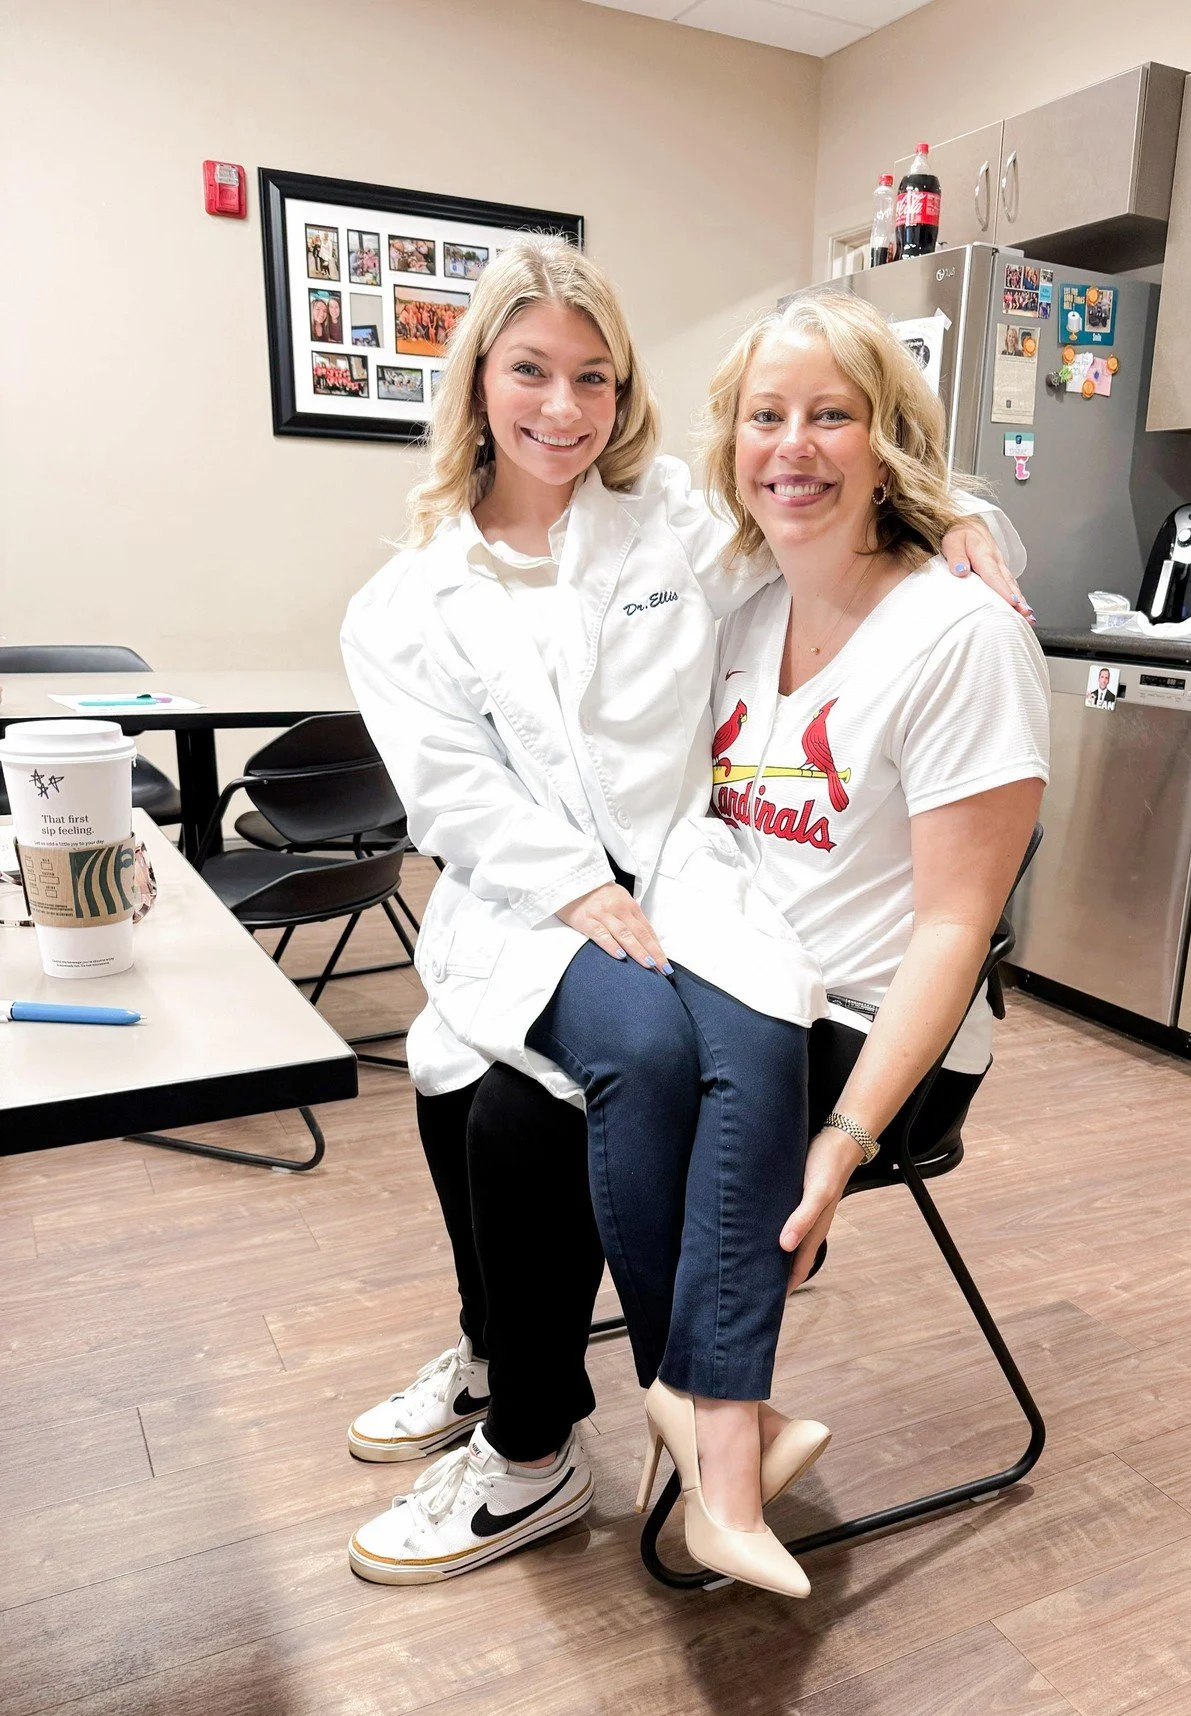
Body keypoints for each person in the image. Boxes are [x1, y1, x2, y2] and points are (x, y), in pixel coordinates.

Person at [342, 254, 1047, 1597]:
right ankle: (518, 1358)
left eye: (595, 376)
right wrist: (568, 888)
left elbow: (955, 924)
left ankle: (555, 1438)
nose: (565, 407)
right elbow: (458, 791)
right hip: (665, 921)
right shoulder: (718, 584)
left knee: (526, 1116)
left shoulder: (761, 562)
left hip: (827, 994)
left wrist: (968, 520)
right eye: (530, 372)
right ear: (476, 384)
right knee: (470, 1073)